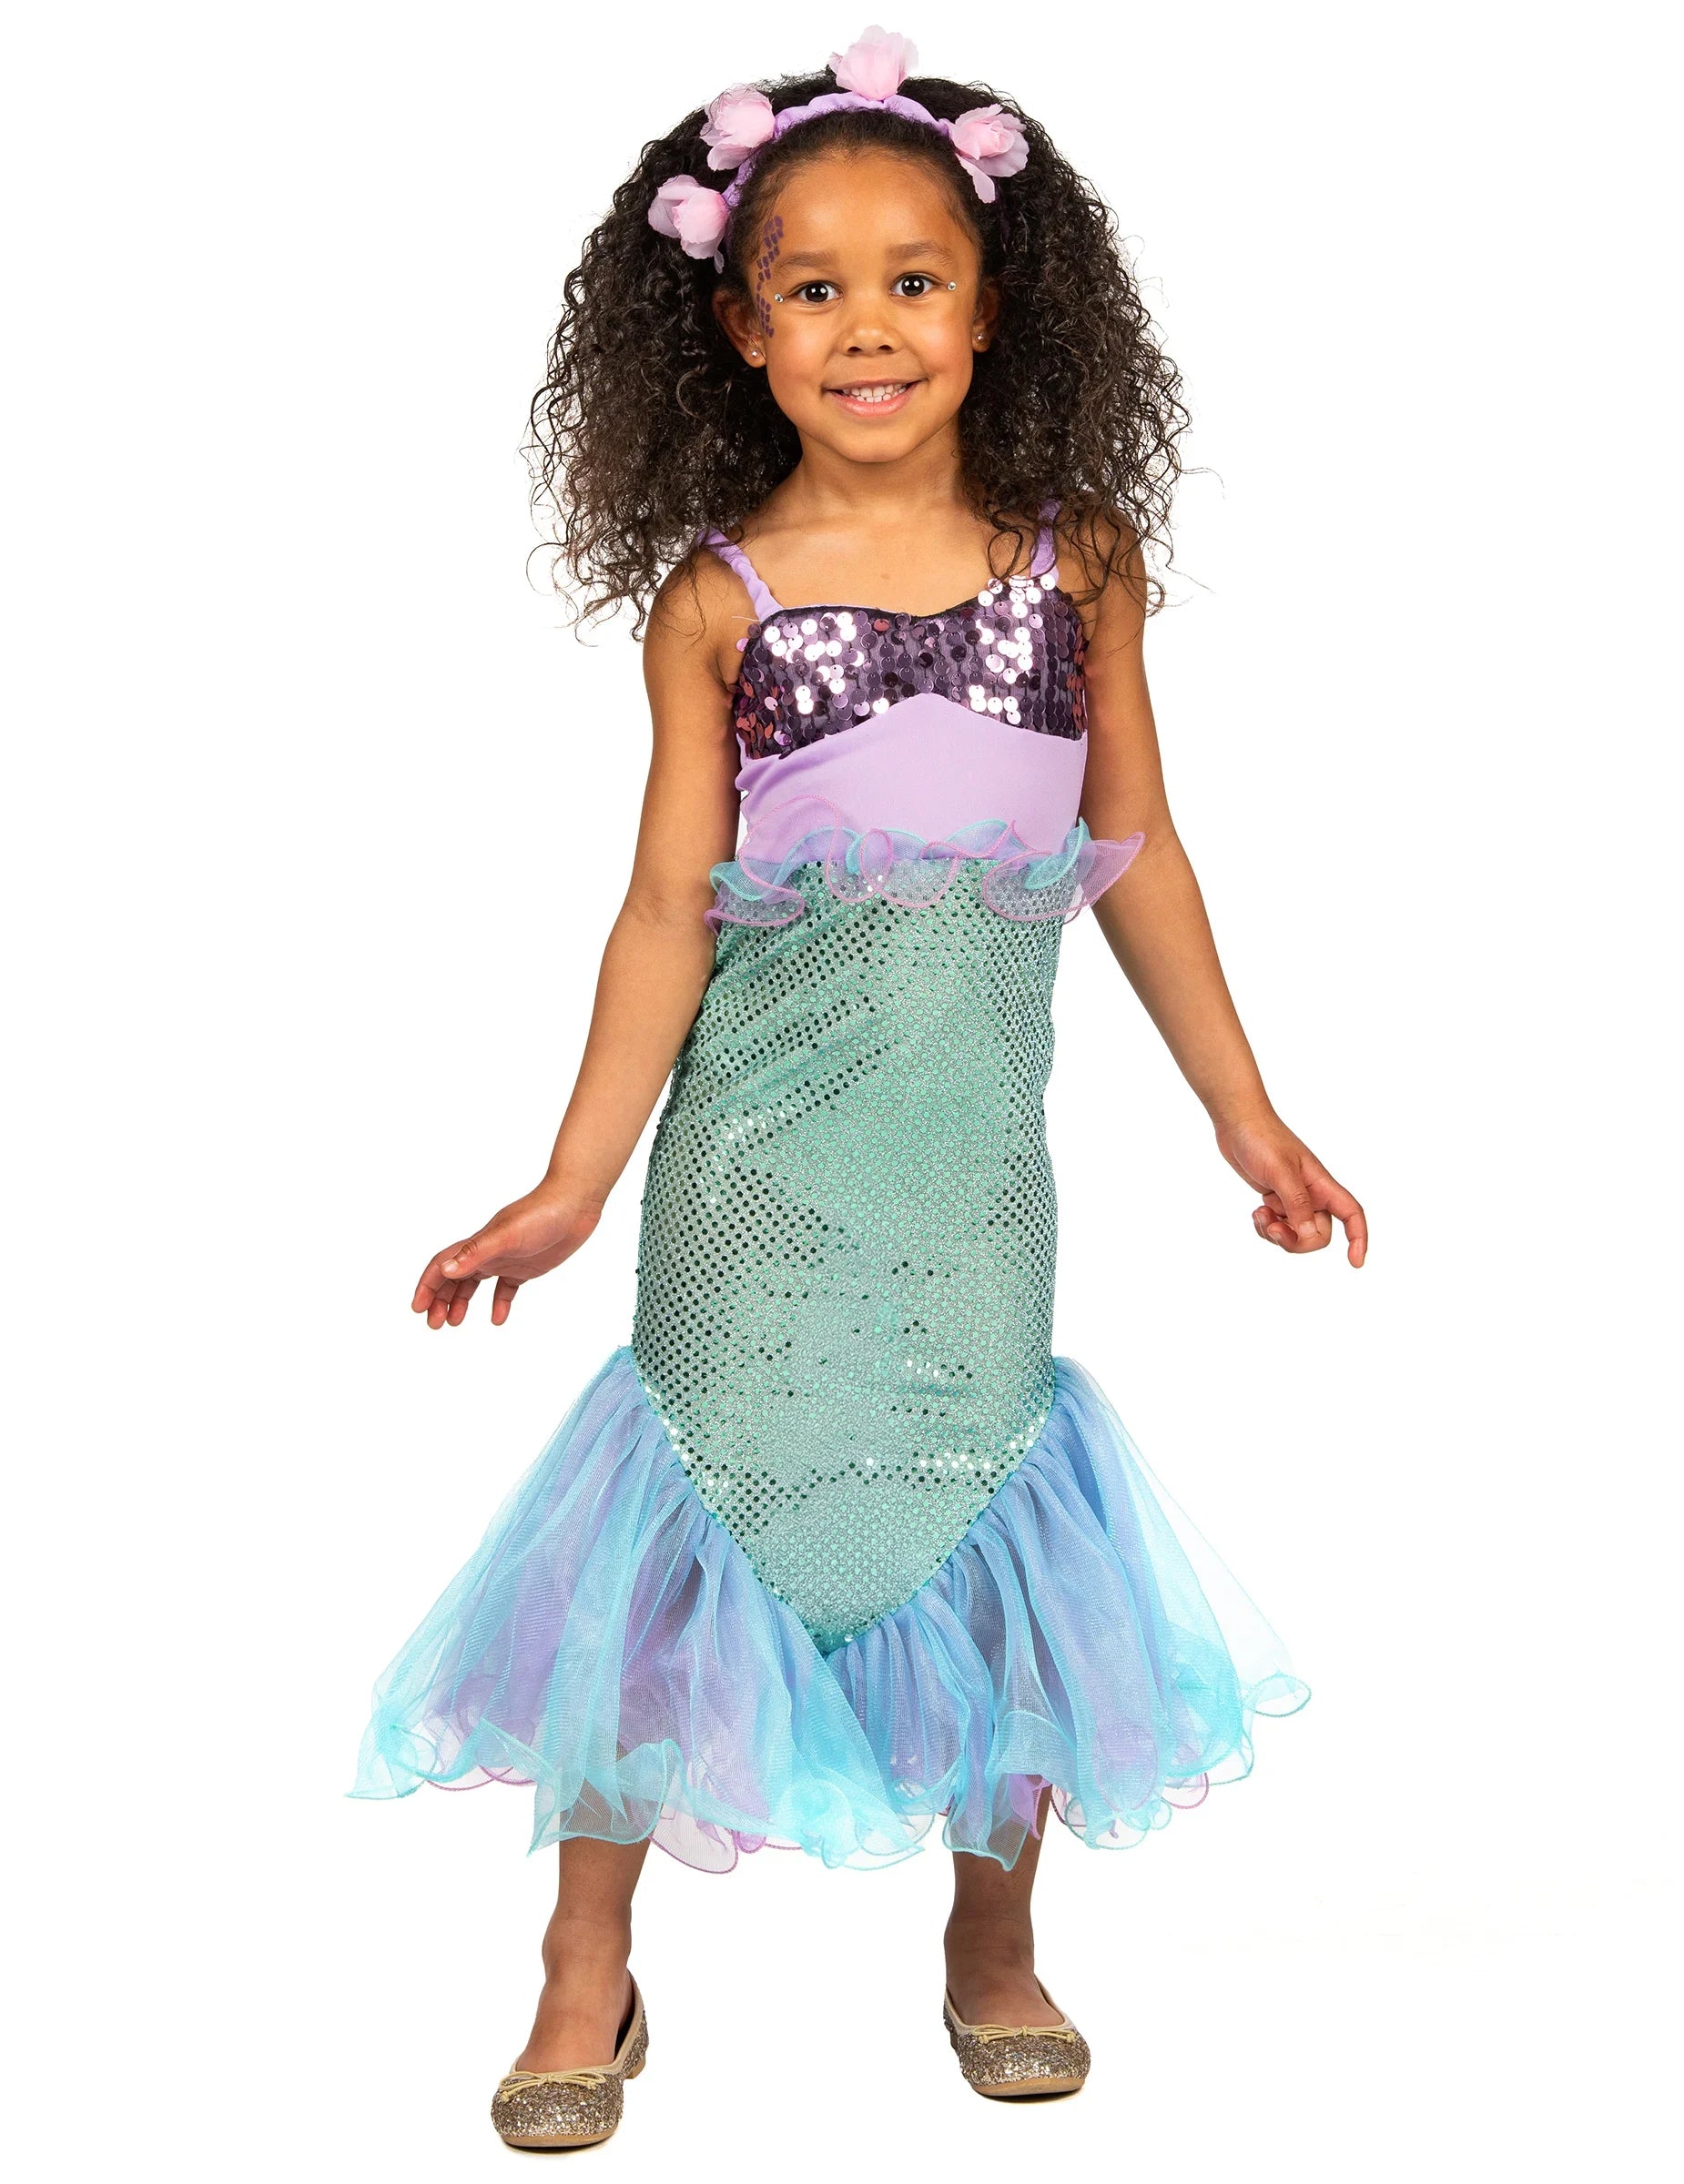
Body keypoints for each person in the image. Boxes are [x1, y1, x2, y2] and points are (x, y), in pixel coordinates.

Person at [351, 25, 1364, 2151]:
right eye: (814, 287)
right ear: (740, 327)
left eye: (915, 278)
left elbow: (1137, 851)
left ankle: (992, 1942)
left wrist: (1243, 1114)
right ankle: (584, 1963)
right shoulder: (719, 602)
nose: (869, 325)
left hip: (966, 1182)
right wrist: (567, 1186)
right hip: (753, 1175)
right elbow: (663, 909)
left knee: (989, 1503)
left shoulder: (1076, 567)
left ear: (996, 307)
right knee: (683, 1522)